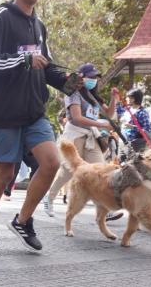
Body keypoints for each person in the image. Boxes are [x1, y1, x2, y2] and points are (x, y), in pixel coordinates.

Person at [0, 0, 82, 251]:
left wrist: (69, 81)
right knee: (5, 174)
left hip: (34, 111)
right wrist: (22, 60)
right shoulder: (1, 16)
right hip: (5, 112)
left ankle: (23, 220)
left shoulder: (39, 25)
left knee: (51, 163)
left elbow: (44, 67)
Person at [43, 63, 121, 221]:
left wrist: (114, 99)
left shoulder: (93, 96)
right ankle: (49, 198)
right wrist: (100, 124)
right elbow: (77, 117)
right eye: (90, 77)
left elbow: (109, 114)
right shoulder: (73, 93)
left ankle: (106, 207)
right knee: (68, 171)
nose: (94, 80)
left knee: (102, 170)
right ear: (80, 76)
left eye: (95, 77)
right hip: (74, 135)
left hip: (90, 135)